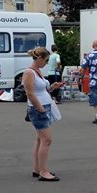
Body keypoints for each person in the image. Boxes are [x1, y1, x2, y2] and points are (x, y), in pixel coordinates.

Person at [23, 46, 63, 182]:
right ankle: (43, 171)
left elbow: (42, 90)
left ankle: (37, 169)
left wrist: (52, 87)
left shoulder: (37, 71)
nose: (46, 63)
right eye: (46, 60)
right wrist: (40, 109)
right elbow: (30, 93)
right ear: (39, 58)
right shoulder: (29, 72)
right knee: (47, 140)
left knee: (40, 139)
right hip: (38, 108)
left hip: (42, 106)